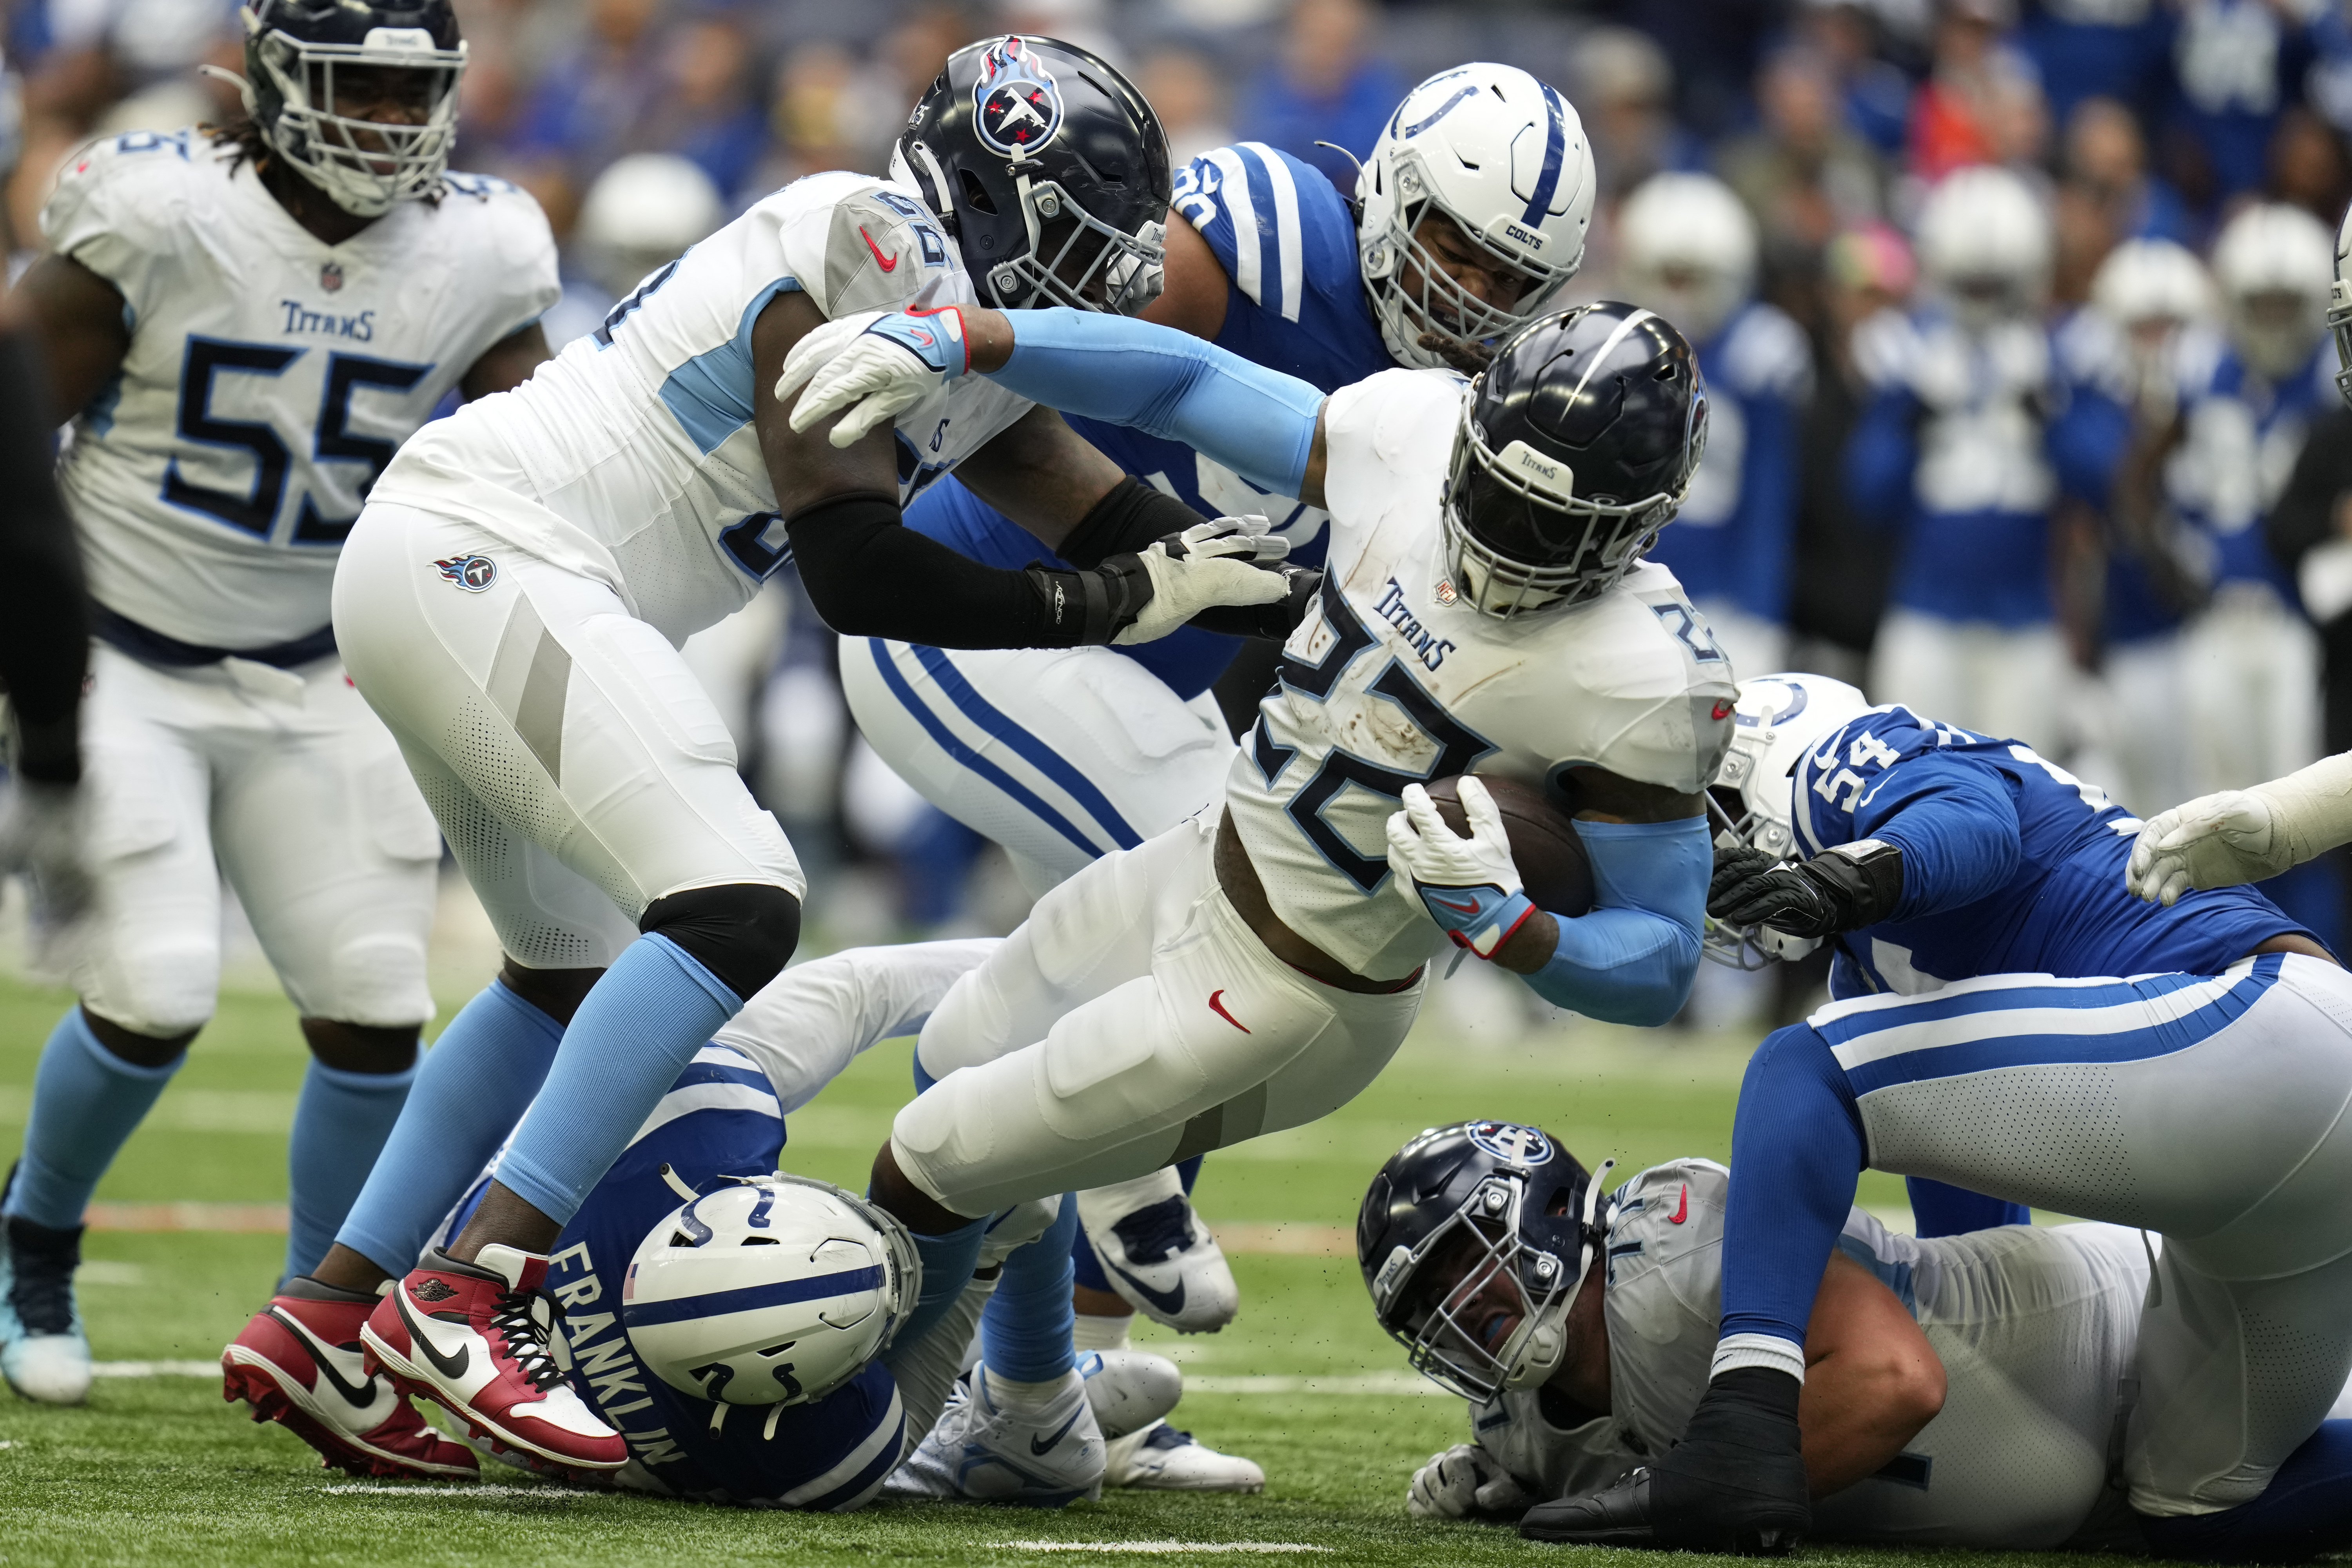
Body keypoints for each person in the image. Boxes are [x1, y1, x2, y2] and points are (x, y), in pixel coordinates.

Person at [221, 34, 1298, 1478]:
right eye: (1082, 241)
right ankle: (468, 1284)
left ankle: (327, 1312)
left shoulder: (951, 333)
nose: (1107, 275)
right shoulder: (865, 247)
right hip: (493, 553)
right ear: (989, 202)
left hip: (462, 567)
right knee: (738, 903)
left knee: (567, 976)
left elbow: (1107, 515)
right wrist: (1111, 610)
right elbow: (856, 567)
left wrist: (1325, 620)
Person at [779, 294, 1728, 1489]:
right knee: (955, 1054)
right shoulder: (1413, 433)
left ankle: (849, 1446)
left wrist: (1522, 933)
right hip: (1201, 854)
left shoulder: (1643, 673)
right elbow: (1180, 383)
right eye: (1496, 492)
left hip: (1299, 996)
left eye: (1551, 524)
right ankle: (1028, 1420)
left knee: (931, 1157)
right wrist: (969, 337)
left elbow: (1662, 958)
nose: (1505, 535)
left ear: (1632, 531)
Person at [840, 62, 1598, 1473]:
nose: (1466, 294)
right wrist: (960, 357)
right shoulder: (1263, 232)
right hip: (977, 623)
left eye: (1503, 276)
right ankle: (1077, 1247)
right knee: (1209, 907)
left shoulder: (1478, 400)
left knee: (1180, 981)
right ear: (1388, 196)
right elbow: (1075, 354)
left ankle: (1028, 1407)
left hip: (1132, 681)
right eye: (1444, 243)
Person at [1, 0, 561, 1410]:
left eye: (407, 92)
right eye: (353, 89)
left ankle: (317, 1311)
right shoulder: (158, 209)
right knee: (159, 984)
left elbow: (539, 460)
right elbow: (13, 414)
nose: (383, 120)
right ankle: (31, 1251)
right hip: (123, 651)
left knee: (375, 1001)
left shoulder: (484, 246)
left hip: (324, 660)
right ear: (273, 79)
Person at [1527, 673, 2352, 1558]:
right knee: (2197, 1503)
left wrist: (1840, 878)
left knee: (1801, 1067)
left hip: (2257, 1020)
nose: (1699, 861)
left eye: (1707, 813)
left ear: (1753, 765)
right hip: (2297, 1146)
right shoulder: (1876, 976)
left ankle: (1744, 1421)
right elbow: (1984, 1247)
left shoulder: (1842, 761)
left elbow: (1974, 828)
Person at [231, 938, 1187, 1500]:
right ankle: (1030, 1409)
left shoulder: (652, 1151)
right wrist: (1058, 972)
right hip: (815, 1423)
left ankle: (331, 1299)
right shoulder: (832, 1450)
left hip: (643, 1399)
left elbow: (852, 995)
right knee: (1002, 1165)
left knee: (570, 1022)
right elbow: (862, 986)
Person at [1361, 1120, 2261, 1552]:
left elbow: (1892, 1379)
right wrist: (1527, 1483)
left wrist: (1674, 1505)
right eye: (1429, 1304)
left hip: (2134, 1338)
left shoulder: (1673, 1256)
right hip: (2106, 1501)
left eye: (1462, 1263)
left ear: (1551, 1216)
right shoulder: (1518, 1427)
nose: (1459, 1309)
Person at [1849, 165, 2068, 745]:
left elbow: (2097, 481)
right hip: (1926, 609)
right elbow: (1867, 494)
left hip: (2025, 615)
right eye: (1970, 283)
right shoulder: (1907, 349)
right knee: (1914, 786)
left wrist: (2051, 416)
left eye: (1994, 284)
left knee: (2029, 796)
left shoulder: (2058, 351)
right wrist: (1912, 417)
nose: (1981, 300)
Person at [1615, 171, 1811, 677]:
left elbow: (1771, 496)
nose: (1680, 295)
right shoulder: (1611, 349)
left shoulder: (1760, 351)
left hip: (1723, 595)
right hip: (1621, 587)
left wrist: (1760, 609)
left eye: (1694, 279)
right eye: (1670, 276)